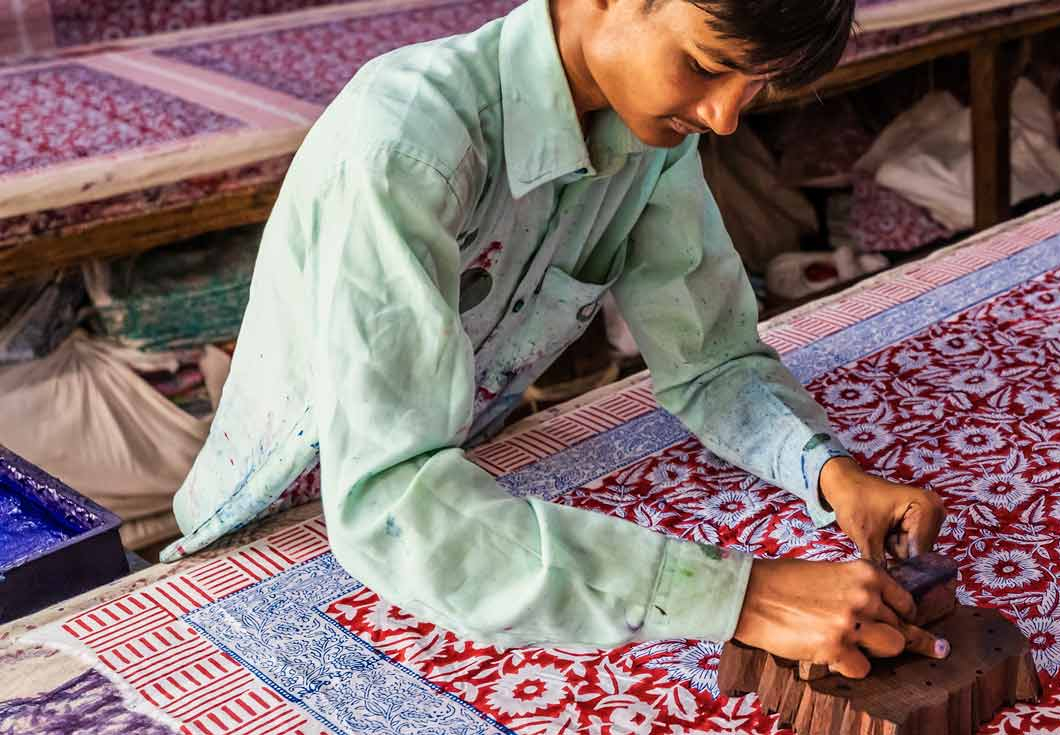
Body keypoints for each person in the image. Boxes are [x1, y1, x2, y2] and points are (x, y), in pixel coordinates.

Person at [163, 0, 951, 679]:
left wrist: (829, 472)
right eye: (709, 65)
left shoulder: (652, 142)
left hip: (456, 485)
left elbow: (710, 359)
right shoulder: (403, 148)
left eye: (755, 85)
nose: (724, 116)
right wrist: (743, 594)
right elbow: (388, 503)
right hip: (285, 529)